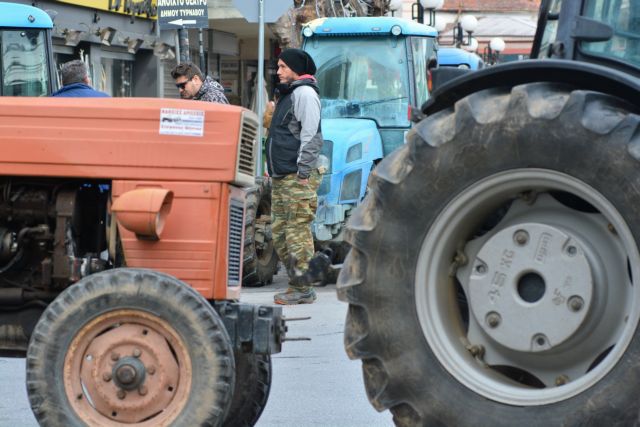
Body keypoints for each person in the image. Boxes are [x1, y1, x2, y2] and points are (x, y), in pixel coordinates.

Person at [267, 48, 323, 305]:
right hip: (282, 177)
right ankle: (296, 284)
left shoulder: (305, 94)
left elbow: (312, 136)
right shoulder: (287, 95)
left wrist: (303, 173)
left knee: (297, 235)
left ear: (296, 69)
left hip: (296, 178)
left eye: (283, 67)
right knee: (279, 235)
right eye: (278, 67)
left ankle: (304, 288)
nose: (278, 72)